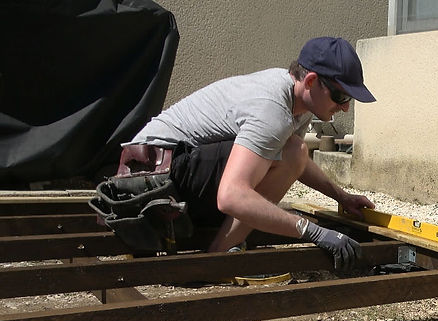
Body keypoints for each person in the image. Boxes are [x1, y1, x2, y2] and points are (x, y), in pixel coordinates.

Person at [123, 36, 375, 269]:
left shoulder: (296, 99)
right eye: (340, 95)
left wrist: (341, 197)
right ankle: (218, 258)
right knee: (292, 151)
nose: (344, 108)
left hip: (162, 170)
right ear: (310, 81)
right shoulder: (272, 109)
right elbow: (231, 196)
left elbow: (294, 162)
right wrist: (313, 232)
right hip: (149, 180)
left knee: (292, 150)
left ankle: (224, 245)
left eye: (349, 99)